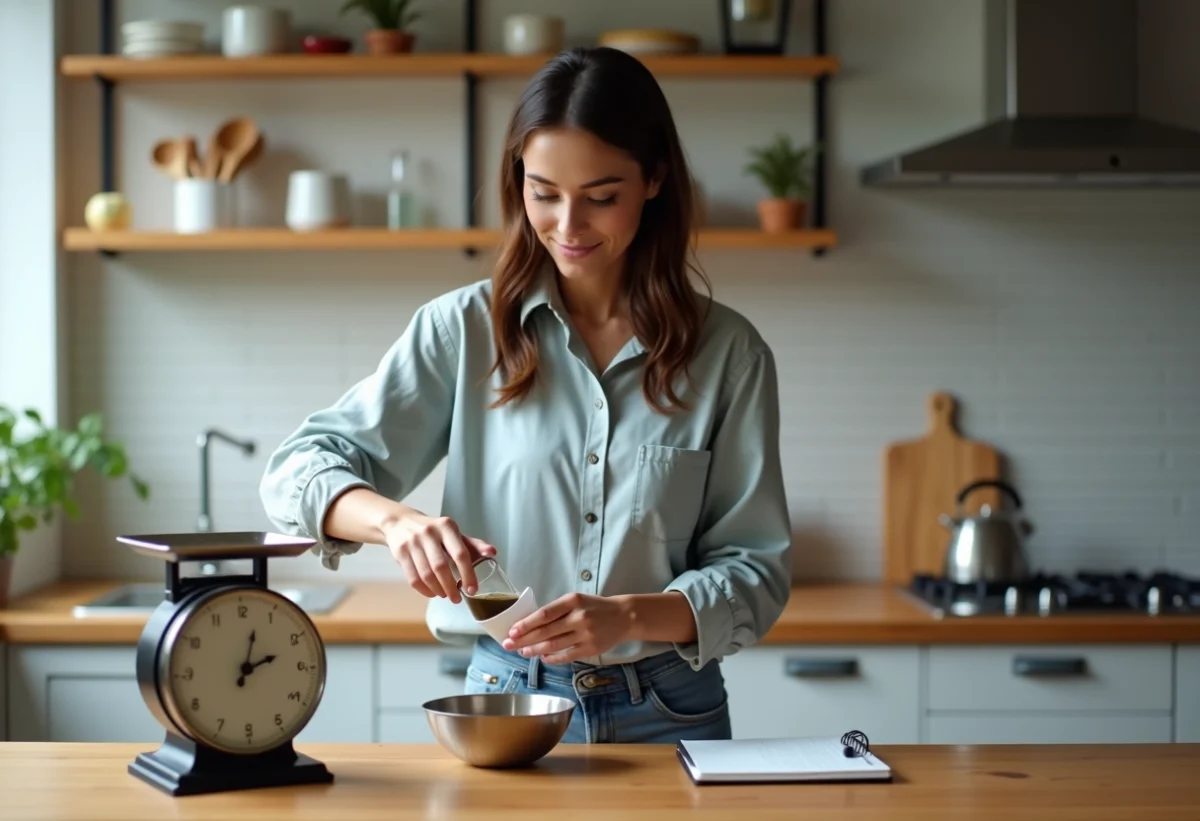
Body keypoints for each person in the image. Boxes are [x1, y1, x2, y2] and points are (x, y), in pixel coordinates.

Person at [259, 46, 792, 745]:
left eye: (602, 197)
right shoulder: (461, 331)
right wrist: (397, 523)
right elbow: (297, 470)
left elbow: (755, 570)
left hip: (672, 709)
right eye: (544, 193)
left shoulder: (729, 354)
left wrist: (629, 616)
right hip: (507, 703)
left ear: (655, 179)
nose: (568, 226)